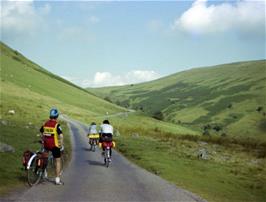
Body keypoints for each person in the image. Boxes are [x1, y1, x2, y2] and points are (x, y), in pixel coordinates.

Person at [40, 108, 64, 185]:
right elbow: (61, 136)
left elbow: (41, 132)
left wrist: (43, 139)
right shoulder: (57, 125)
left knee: (45, 158)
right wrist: (61, 144)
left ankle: (44, 174)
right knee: (57, 161)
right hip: (54, 146)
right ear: (57, 116)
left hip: (46, 145)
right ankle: (57, 179)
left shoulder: (45, 124)